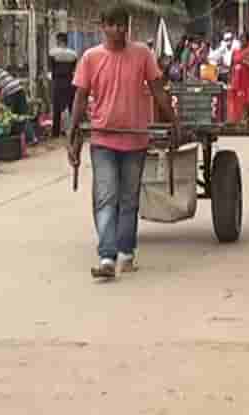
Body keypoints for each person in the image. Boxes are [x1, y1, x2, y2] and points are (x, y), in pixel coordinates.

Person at [68, 5, 177, 279]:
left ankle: (126, 252)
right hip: (103, 138)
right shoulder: (91, 58)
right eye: (113, 24)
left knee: (129, 199)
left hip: (135, 139)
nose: (119, 30)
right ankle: (107, 257)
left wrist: (174, 121)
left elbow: (158, 90)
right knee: (106, 198)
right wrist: (73, 132)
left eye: (122, 25)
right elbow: (80, 97)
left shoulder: (142, 54)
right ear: (102, 26)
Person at [0, 66, 36, 144]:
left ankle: (11, 142)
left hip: (9, 93)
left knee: (7, 117)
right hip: (19, 89)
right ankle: (32, 138)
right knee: (22, 116)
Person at [49, 32, 78, 138]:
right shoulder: (73, 54)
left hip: (58, 81)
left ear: (59, 40)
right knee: (71, 107)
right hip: (70, 81)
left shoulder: (53, 53)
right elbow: (74, 68)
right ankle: (75, 130)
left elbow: (52, 68)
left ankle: (55, 133)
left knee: (57, 107)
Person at [232, 31, 249, 122]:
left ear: (247, 40)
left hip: (247, 79)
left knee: (248, 98)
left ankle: (247, 117)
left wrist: (248, 63)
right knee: (238, 98)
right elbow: (232, 65)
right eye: (240, 39)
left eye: (243, 39)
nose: (241, 41)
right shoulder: (236, 51)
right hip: (237, 79)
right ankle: (239, 117)